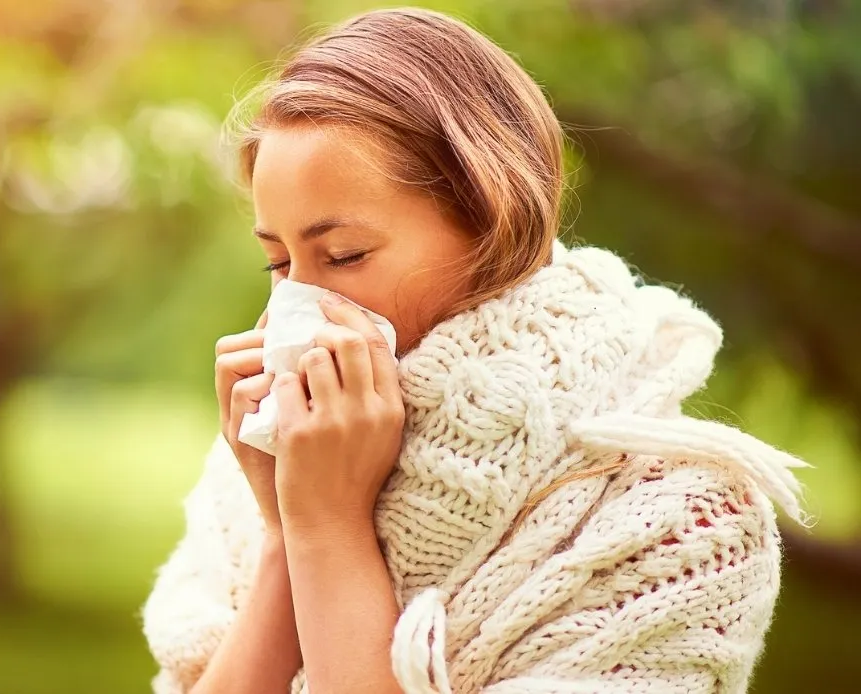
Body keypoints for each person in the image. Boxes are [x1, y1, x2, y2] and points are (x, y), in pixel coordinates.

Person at [141, 8, 811, 694]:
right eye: (278, 263)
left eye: (342, 255)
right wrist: (286, 534)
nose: (296, 310)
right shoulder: (262, 471)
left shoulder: (678, 520)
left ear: (492, 222)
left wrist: (333, 532)